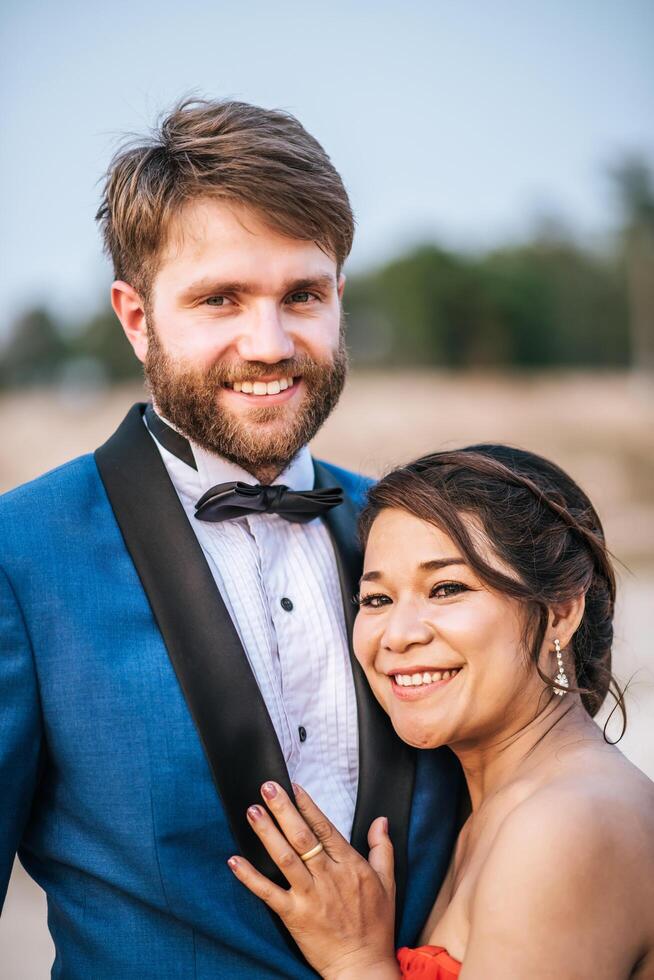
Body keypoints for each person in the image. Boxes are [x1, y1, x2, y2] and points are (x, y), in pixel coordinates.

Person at [0, 99, 462, 978]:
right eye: (221, 299)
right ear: (136, 318)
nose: (270, 342)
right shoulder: (18, 559)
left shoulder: (422, 534)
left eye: (303, 295)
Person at [229, 445, 654, 979]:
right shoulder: (494, 810)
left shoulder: (567, 826)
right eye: (377, 599)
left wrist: (355, 962)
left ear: (560, 613)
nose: (400, 635)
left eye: (447, 588)